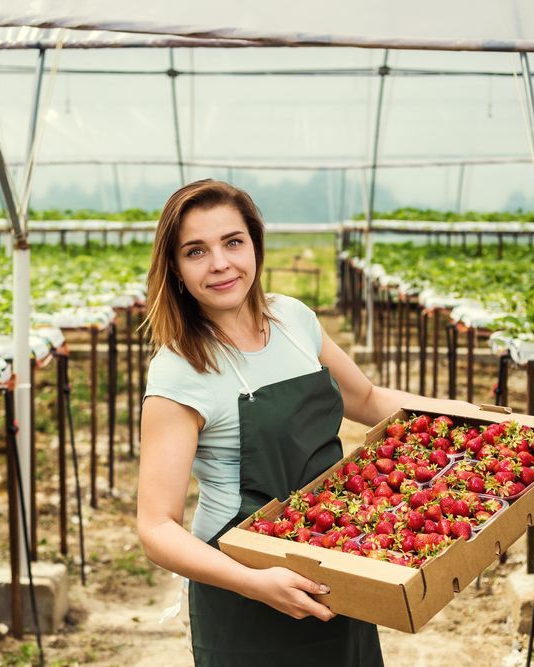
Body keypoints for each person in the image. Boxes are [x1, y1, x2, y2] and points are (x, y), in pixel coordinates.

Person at [136, 179, 421, 666]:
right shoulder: (181, 367)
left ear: (255, 244)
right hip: (243, 583)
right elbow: (156, 526)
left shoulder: (293, 320)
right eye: (196, 251)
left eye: (232, 242)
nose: (221, 263)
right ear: (177, 270)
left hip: (337, 551)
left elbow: (368, 399)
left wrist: (463, 416)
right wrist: (254, 582)